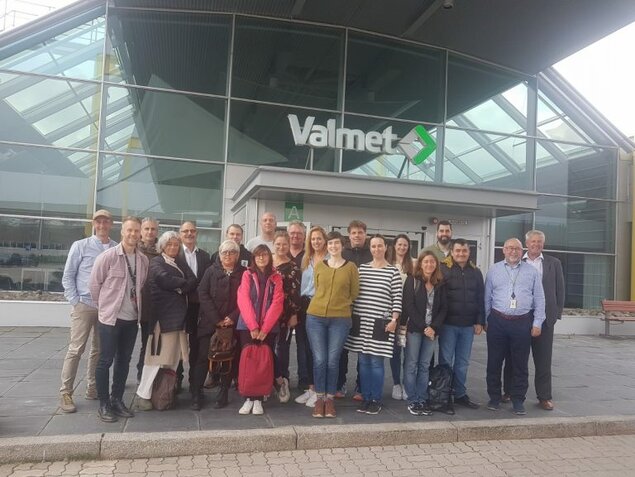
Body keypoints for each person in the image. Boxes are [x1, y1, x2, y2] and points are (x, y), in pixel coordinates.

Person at [89, 216, 149, 422]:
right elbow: (94, 285)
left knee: (124, 361)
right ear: (122, 232)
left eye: (136, 231)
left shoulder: (143, 260)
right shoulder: (108, 257)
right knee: (105, 361)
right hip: (110, 319)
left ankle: (117, 399)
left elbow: (140, 285)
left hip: (132, 319)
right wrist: (105, 308)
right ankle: (104, 403)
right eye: (129, 230)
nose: (133, 234)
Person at [59, 209, 117, 413]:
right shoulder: (80, 246)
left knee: (99, 351)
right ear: (93, 224)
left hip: (105, 308)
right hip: (83, 304)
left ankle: (92, 388)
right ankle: (66, 392)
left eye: (105, 222)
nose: (102, 225)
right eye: (98, 222)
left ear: (111, 224)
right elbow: (68, 275)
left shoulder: (116, 248)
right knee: (76, 349)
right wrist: (74, 301)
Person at [134, 231, 198, 411]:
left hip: (178, 320)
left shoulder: (179, 262)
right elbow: (164, 280)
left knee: (172, 359)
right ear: (162, 246)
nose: (173, 247)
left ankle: (163, 393)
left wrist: (179, 287)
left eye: (176, 245)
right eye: (169, 244)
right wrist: (183, 285)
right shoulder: (156, 262)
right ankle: (143, 395)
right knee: (156, 359)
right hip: (162, 320)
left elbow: (193, 280)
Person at [502, 230, 565, 411]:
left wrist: (555, 315)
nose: (536, 244)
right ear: (526, 244)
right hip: (520, 318)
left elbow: (560, 290)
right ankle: (509, 391)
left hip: (544, 319)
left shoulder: (554, 263)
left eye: (539, 242)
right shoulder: (517, 262)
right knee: (513, 357)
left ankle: (544, 396)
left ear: (543, 244)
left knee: (543, 360)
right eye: (533, 241)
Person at [484, 238, 546, 416]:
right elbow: (487, 297)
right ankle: (494, 398)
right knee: (494, 362)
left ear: (522, 251)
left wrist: (537, 323)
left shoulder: (532, 272)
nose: (513, 251)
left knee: (520, 364)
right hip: (497, 321)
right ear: (503, 250)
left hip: (522, 322)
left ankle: (518, 399)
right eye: (510, 248)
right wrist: (486, 319)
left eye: (517, 249)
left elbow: (539, 298)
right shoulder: (494, 270)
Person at [345, 235, 402, 415]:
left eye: (379, 246)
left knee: (376, 362)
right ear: (370, 249)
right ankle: (366, 397)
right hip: (362, 321)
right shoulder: (362, 269)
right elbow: (354, 293)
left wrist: (394, 320)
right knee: (363, 361)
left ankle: (376, 399)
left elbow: (397, 299)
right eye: (373, 246)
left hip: (381, 323)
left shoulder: (393, 272)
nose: (376, 249)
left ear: (386, 248)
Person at [306, 231, 359, 418]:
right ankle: (319, 398)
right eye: (330, 243)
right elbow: (317, 288)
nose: (333, 246)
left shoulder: (351, 267)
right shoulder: (320, 266)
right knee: (320, 359)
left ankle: (329, 399)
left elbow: (354, 292)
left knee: (332, 360)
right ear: (327, 246)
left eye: (336, 243)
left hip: (340, 318)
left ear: (342, 245)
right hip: (316, 317)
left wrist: (340, 304)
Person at [193, 240, 246, 410]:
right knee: (202, 357)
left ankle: (223, 393)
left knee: (228, 359)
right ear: (219, 254)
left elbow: (247, 298)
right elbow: (202, 293)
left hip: (232, 324)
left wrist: (233, 316)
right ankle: (197, 393)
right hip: (209, 322)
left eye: (232, 252)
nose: (228, 255)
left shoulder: (244, 273)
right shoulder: (211, 271)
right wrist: (216, 319)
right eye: (224, 252)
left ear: (237, 255)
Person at [236, 244, 284, 415]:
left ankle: (259, 398)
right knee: (249, 362)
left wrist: (264, 329)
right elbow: (243, 299)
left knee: (263, 362)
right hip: (247, 326)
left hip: (268, 328)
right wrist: (253, 326)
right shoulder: (247, 274)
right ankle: (248, 397)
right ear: (253, 258)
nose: (261, 258)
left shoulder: (276, 277)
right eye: (258, 255)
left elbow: (277, 303)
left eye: (264, 255)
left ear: (269, 257)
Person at [439, 238, 485, 411]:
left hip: (467, 326)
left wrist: (480, 321)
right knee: (445, 361)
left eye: (464, 250)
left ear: (469, 252)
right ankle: (444, 394)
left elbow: (480, 298)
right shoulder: (443, 268)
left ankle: (459, 394)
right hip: (448, 325)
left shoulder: (476, 272)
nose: (461, 254)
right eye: (457, 250)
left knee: (463, 362)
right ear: (451, 252)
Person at [402, 250, 447, 416]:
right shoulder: (412, 280)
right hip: (415, 330)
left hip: (432, 331)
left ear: (436, 264)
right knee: (411, 364)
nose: (429, 264)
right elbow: (408, 305)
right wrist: (424, 328)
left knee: (425, 365)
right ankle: (412, 399)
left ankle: (422, 398)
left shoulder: (440, 283)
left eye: (432, 262)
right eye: (426, 261)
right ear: (420, 263)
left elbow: (444, 308)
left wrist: (433, 327)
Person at [294, 226, 329, 408]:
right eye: (313, 239)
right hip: (305, 305)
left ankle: (319, 390)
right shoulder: (306, 258)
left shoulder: (330, 259)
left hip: (321, 306)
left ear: (325, 240)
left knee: (318, 351)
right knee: (306, 348)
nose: (316, 242)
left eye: (319, 238)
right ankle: (311, 388)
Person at [338, 220, 372, 399]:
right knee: (342, 348)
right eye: (354, 233)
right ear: (349, 235)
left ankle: (361, 385)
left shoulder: (372, 253)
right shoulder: (342, 253)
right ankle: (340, 383)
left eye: (360, 232)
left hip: (366, 308)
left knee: (363, 349)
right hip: (345, 308)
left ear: (365, 234)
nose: (357, 235)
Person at [176, 221, 211, 393]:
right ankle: (176, 381)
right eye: (185, 231)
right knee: (177, 347)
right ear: (180, 234)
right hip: (178, 307)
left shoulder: (205, 256)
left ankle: (194, 384)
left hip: (198, 309)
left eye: (192, 231)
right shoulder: (174, 254)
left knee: (196, 346)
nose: (189, 234)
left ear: (196, 233)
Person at [272, 231, 302, 403]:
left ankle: (283, 380)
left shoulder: (294, 267)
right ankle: (269, 379)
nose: (281, 247)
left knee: (282, 347)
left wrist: (294, 314)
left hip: (285, 314)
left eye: (284, 244)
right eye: (278, 244)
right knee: (266, 347)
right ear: (273, 244)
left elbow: (296, 293)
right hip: (266, 314)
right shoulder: (266, 262)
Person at [388, 234, 414, 401]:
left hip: (409, 315)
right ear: (394, 246)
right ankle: (396, 383)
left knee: (409, 352)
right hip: (393, 314)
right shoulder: (388, 264)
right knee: (395, 351)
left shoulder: (413, 265)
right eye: (400, 244)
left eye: (405, 245)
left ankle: (407, 384)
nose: (402, 247)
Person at [136, 217, 161, 384]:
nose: (150, 232)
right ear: (141, 231)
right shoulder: (134, 249)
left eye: (153, 229)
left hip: (153, 305)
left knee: (148, 342)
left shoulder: (162, 250)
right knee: (123, 345)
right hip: (133, 303)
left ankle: (143, 375)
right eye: (146, 229)